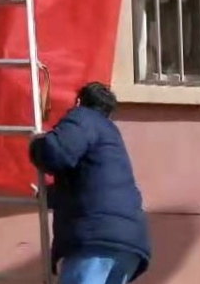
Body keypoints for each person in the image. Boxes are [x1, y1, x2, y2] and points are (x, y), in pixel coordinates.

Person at [28, 82, 151, 284]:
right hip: (128, 245)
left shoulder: (83, 118)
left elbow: (57, 153)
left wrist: (37, 144)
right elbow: (91, 186)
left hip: (96, 240)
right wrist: (49, 196)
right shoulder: (110, 135)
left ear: (78, 102)